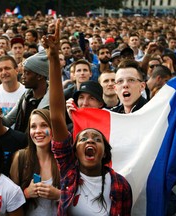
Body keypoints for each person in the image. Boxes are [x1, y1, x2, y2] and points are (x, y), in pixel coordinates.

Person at [43, 19, 132, 216]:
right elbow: (56, 116)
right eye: (83, 138)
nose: (89, 140)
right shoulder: (68, 170)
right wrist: (53, 59)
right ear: (74, 149)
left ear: (105, 152)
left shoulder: (120, 186)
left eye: (96, 139)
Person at [10, 109, 61, 215]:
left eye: (44, 125)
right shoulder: (20, 157)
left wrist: (59, 195)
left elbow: (79, 198)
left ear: (53, 128)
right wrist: (27, 193)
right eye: (33, 126)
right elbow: (9, 199)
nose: (38, 131)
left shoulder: (62, 159)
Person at [2, 51, 50, 132]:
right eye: (22, 72)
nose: (22, 76)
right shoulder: (25, 97)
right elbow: (7, 121)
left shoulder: (53, 102)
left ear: (39, 76)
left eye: (26, 73)